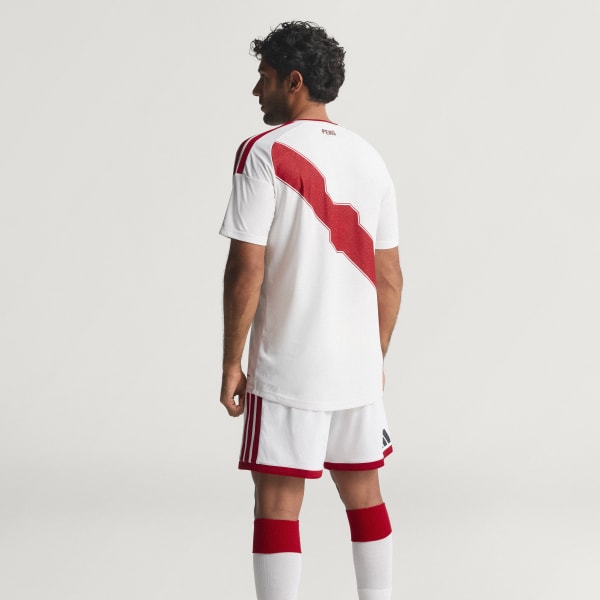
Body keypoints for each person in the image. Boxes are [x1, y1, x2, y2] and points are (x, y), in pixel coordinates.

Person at [219, 21, 403, 600]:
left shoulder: (263, 152)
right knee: (365, 496)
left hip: (287, 367)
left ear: (294, 82)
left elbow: (246, 269)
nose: (257, 90)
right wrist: (373, 359)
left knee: (277, 504)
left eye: (265, 77)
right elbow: (391, 278)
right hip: (356, 369)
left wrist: (230, 363)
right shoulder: (371, 158)